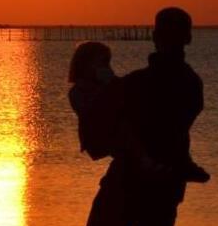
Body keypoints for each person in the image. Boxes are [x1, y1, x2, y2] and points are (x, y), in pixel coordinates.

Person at [78, 7, 208, 226]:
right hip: (168, 181)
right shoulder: (191, 84)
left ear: (154, 36)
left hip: (130, 180)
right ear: (188, 38)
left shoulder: (137, 83)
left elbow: (106, 119)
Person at [68, 40, 210, 181]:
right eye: (103, 62)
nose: (107, 66)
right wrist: (111, 86)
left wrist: (113, 83)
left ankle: (179, 159)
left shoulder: (106, 83)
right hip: (100, 134)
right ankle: (147, 162)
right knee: (126, 126)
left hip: (115, 127)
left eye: (108, 62)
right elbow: (95, 114)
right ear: (86, 64)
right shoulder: (77, 92)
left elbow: (124, 94)